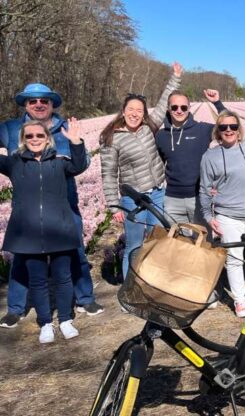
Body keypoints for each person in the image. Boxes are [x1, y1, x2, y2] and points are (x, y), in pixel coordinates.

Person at [0, 83, 102, 329]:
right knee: (21, 257)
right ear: (25, 105)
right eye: (32, 101)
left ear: (52, 104)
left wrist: (76, 142)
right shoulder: (10, 128)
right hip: (27, 209)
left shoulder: (65, 127)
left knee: (76, 252)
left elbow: (81, 163)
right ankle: (15, 309)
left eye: (44, 100)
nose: (38, 104)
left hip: (65, 205)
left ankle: (85, 299)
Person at [100, 62, 181, 280]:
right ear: (123, 111)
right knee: (134, 245)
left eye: (139, 110)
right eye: (131, 110)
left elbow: (163, 104)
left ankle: (151, 283)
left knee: (157, 241)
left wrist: (174, 78)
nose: (135, 114)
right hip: (133, 199)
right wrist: (113, 204)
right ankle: (130, 287)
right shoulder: (111, 137)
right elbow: (108, 173)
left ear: (144, 113)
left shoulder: (148, 128)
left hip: (157, 193)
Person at [199, 111, 245, 318]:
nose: (228, 130)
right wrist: (208, 216)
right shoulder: (210, 156)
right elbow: (205, 188)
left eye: (233, 126)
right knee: (234, 258)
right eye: (223, 127)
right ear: (218, 132)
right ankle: (240, 301)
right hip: (228, 215)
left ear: (239, 130)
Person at [155, 89, 226, 225]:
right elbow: (158, 164)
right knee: (177, 238)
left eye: (183, 107)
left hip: (199, 198)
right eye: (174, 107)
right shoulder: (161, 136)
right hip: (172, 200)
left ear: (189, 108)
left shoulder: (203, 130)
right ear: (168, 109)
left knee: (202, 237)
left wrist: (217, 103)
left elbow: (228, 125)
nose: (179, 111)